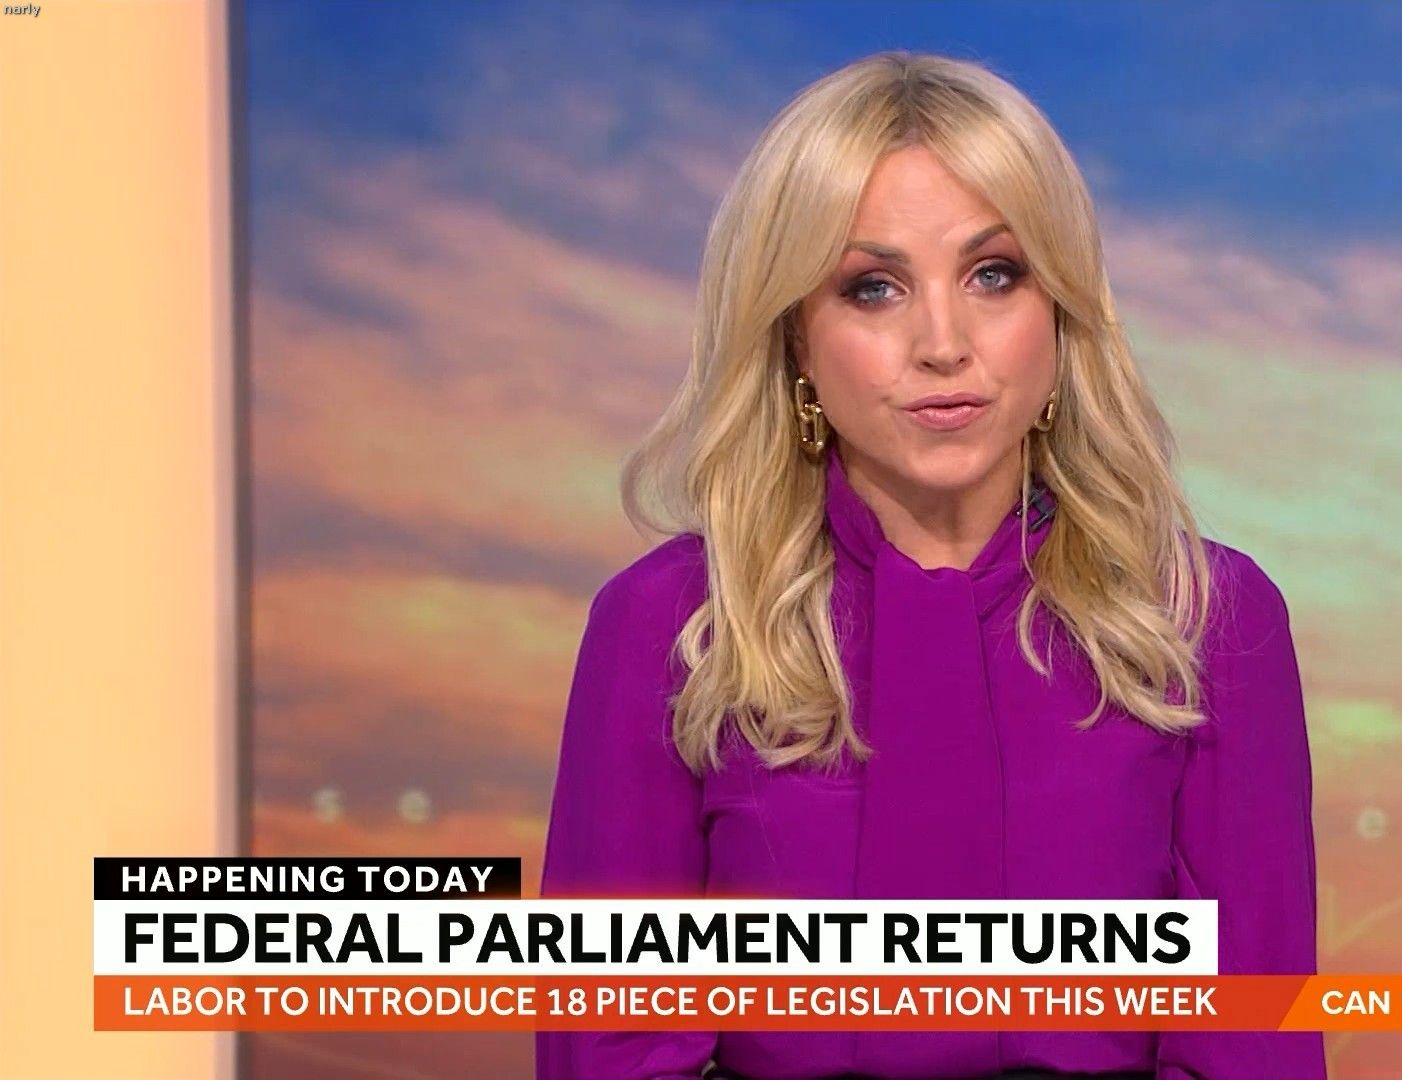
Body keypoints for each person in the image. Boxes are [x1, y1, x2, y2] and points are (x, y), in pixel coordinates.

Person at [537, 50, 1324, 1080]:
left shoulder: (1209, 618)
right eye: (873, 288)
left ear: (1062, 314)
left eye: (994, 274)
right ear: (796, 341)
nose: (943, 343)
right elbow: (611, 1050)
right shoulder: (666, 625)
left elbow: (1253, 1046)